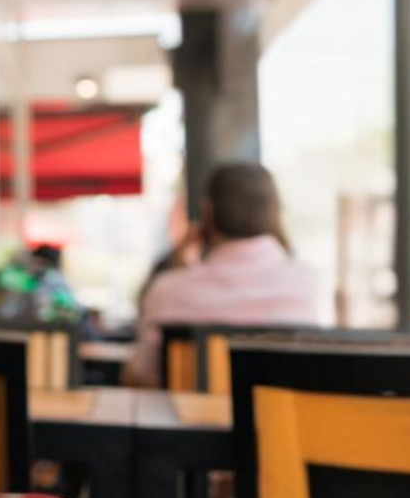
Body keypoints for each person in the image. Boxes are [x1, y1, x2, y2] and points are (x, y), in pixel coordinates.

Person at [122, 162, 323, 387]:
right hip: (275, 421)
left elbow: (140, 376)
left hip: (191, 420)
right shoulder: (307, 282)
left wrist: (174, 266)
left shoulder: (168, 288)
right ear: (275, 212)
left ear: (207, 213)